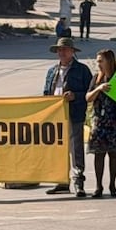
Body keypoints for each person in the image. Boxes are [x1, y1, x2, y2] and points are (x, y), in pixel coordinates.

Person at [43, 37, 93, 198]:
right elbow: (46, 93)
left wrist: (75, 96)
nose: (61, 52)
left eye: (64, 50)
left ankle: (78, 182)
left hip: (74, 114)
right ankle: (62, 182)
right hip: (56, 117)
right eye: (59, 50)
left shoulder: (82, 70)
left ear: (72, 52)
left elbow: (90, 93)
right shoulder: (52, 71)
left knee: (75, 149)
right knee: (58, 150)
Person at [86, 49, 116, 198]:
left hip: (115, 120)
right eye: (97, 61)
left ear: (109, 61)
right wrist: (99, 88)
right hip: (100, 120)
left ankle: (112, 184)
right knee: (99, 154)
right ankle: (99, 186)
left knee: (114, 154)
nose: (98, 64)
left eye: (101, 61)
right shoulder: (97, 79)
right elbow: (88, 98)